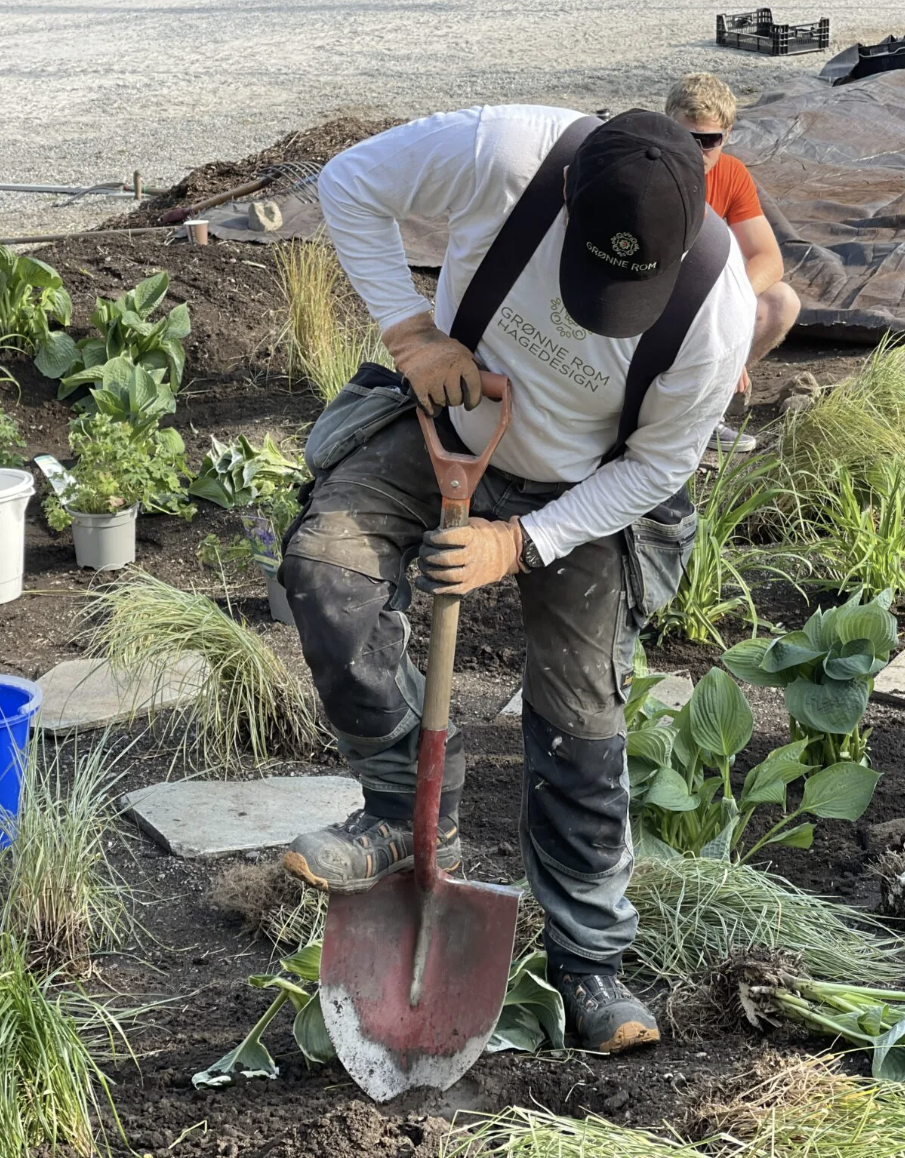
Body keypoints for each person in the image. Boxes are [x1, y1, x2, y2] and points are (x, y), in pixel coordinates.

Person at [277, 106, 754, 1054]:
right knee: (328, 571)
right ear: (567, 194)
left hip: (593, 487)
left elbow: (658, 468)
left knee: (582, 720)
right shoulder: (504, 155)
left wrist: (522, 541)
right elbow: (348, 185)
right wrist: (412, 332)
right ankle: (404, 816)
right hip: (449, 421)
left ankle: (589, 963)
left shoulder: (715, 310)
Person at [666, 73, 801, 453]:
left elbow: (768, 259)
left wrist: (732, 341)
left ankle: (706, 410)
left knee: (781, 301)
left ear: (726, 136)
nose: (698, 151)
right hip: (652, 297)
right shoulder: (651, 170)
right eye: (687, 139)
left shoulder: (731, 173)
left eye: (709, 140)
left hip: (702, 299)